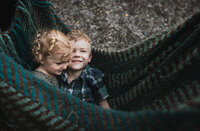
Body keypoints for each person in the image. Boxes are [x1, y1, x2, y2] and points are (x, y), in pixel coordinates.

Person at [58, 30, 110, 109]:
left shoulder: (92, 75)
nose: (77, 55)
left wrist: (109, 118)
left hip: (86, 116)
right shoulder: (59, 72)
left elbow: (102, 101)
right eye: (72, 51)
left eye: (83, 51)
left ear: (89, 58)